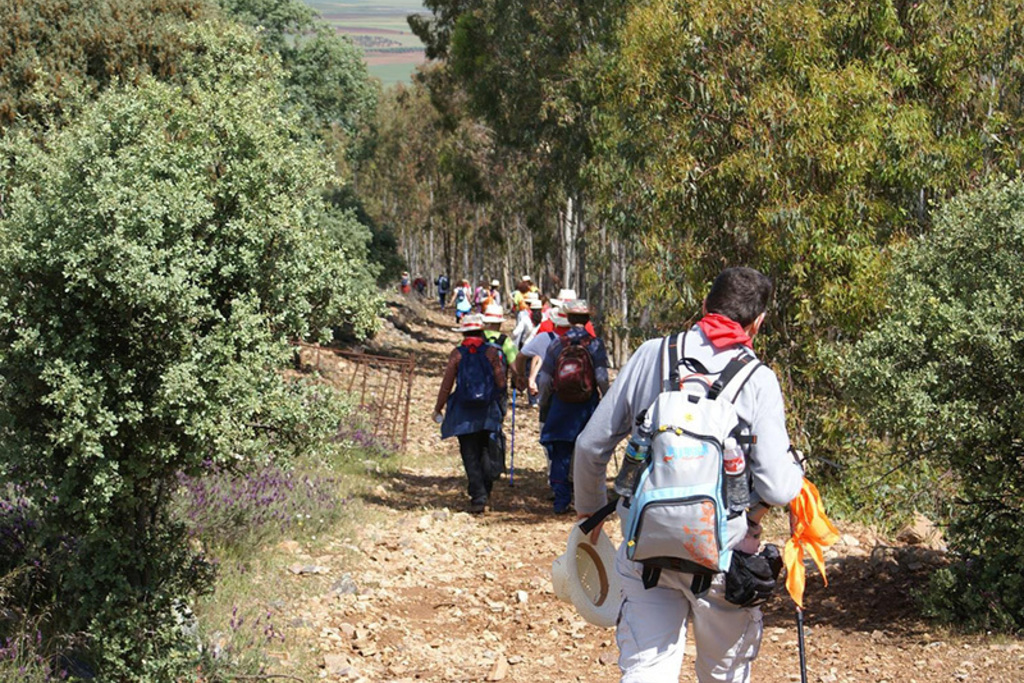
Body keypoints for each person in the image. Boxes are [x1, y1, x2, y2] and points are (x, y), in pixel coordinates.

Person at [572, 267, 804, 683]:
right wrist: (796, 468)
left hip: (643, 547)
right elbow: (776, 486)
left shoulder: (650, 355)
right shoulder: (759, 380)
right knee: (723, 676)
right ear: (758, 322)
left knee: (646, 671)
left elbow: (590, 446)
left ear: (703, 306)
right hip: (725, 556)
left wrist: (590, 516)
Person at [536, 299, 609, 513]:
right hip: (587, 406)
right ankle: (584, 501)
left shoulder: (557, 344)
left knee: (560, 451)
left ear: (567, 318)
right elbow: (602, 377)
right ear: (587, 320)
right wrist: (606, 400)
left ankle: (561, 501)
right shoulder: (595, 344)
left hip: (561, 404)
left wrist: (545, 400)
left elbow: (545, 380)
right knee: (586, 451)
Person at [433, 314, 506, 514]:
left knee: (469, 452)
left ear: (464, 332)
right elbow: (501, 382)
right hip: (486, 410)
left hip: (464, 412)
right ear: (481, 331)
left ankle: (478, 496)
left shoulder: (457, 354)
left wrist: (439, 407)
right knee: (485, 448)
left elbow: (447, 383)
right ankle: (486, 490)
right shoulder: (491, 352)